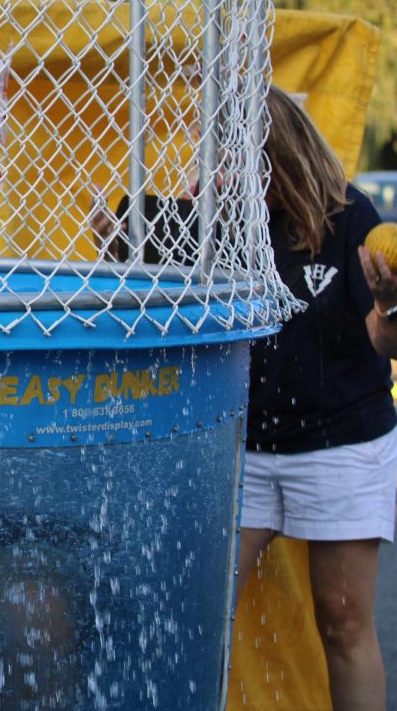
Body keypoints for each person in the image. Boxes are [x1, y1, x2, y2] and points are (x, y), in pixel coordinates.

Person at [93, 86, 396, 710]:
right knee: (196, 611)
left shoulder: (351, 219)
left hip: (342, 440)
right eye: (218, 158)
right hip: (245, 447)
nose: (221, 173)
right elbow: (127, 246)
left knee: (343, 620)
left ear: (281, 154)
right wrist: (109, 231)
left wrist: (391, 304)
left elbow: (383, 341)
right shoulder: (218, 222)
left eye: (236, 158)